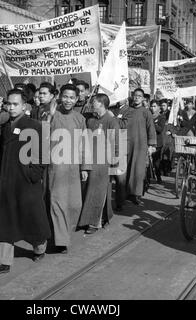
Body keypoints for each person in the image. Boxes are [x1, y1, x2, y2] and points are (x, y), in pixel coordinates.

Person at [0, 89, 51, 277]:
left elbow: (42, 155)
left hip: (27, 183)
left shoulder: (34, 126)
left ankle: (40, 246)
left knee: (32, 218)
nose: (11, 107)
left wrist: (33, 175)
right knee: (3, 221)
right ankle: (2, 261)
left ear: (24, 106)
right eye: (8, 104)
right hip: (6, 182)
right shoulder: (5, 126)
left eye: (15, 104)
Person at [47, 84, 91, 253]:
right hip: (56, 167)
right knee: (57, 202)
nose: (68, 100)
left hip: (73, 168)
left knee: (74, 204)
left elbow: (84, 144)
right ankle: (60, 240)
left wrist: (85, 167)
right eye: (65, 96)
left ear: (77, 99)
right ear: (60, 97)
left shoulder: (80, 119)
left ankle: (64, 233)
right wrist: (48, 116)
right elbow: (42, 135)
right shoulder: (52, 115)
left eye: (72, 97)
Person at [77, 93, 119, 234]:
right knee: (87, 190)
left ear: (101, 104)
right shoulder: (91, 120)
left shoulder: (111, 120)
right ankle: (86, 219)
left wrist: (115, 163)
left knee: (97, 192)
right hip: (89, 159)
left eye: (94, 102)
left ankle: (95, 223)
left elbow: (116, 143)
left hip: (103, 162)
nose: (91, 104)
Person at [126, 88, 156, 205]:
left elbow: (151, 129)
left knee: (138, 171)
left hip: (141, 145)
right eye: (135, 95)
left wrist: (151, 145)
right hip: (128, 144)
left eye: (139, 96)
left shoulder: (146, 112)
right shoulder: (128, 111)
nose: (137, 97)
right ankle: (127, 192)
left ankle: (136, 194)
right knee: (128, 169)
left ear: (143, 98)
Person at [109, 99, 135, 211]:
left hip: (121, 144)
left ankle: (120, 202)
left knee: (120, 178)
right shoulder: (111, 108)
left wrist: (112, 118)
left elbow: (124, 125)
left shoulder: (130, 111)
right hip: (108, 144)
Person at [150, 100, 166, 183]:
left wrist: (152, 123)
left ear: (159, 107)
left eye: (154, 106)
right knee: (147, 161)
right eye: (151, 106)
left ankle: (158, 176)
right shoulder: (148, 115)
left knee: (156, 161)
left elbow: (160, 129)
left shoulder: (161, 117)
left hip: (157, 143)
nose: (152, 108)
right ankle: (148, 178)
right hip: (148, 141)